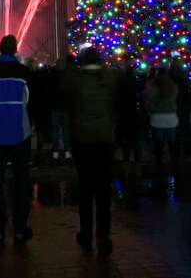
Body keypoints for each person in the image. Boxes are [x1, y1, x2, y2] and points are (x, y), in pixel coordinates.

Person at [64, 47, 119, 253]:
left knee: (85, 189)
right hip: (104, 139)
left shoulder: (76, 81)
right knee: (104, 190)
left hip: (82, 139)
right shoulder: (109, 80)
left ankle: (86, 234)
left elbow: (68, 103)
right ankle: (104, 238)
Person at [0, 35, 32, 243]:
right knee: (21, 182)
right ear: (16, 49)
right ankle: (19, 228)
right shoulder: (23, 72)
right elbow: (29, 101)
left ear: (0, 49)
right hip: (20, 133)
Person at [145, 68, 180, 187]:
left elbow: (149, 101)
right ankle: (175, 165)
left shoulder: (152, 85)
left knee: (158, 144)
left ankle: (159, 166)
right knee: (172, 143)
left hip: (157, 118)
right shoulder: (173, 85)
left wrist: (150, 110)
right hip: (171, 117)